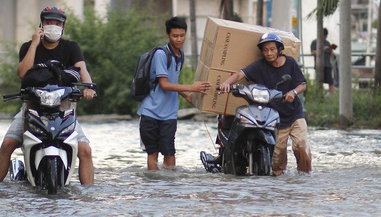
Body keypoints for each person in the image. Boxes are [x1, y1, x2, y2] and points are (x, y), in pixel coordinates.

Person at [0, 6, 96, 184]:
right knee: (8, 144)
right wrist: (34, 43)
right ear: (41, 25)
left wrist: (89, 87)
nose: (53, 26)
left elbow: (82, 69)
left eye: (57, 23)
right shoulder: (28, 47)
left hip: (64, 109)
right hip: (32, 107)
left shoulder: (71, 47)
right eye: (49, 23)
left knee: (85, 150)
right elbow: (23, 74)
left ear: (63, 27)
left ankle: (88, 196)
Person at [219, 32, 312, 176]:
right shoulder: (259, 66)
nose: (269, 53)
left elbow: (302, 84)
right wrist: (226, 83)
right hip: (274, 118)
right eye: (265, 50)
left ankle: (304, 177)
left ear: (279, 49)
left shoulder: (290, 63)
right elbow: (239, 75)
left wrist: (293, 92)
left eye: (272, 49)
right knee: (276, 162)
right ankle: (277, 186)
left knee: (301, 145)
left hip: (294, 114)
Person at [138, 16, 212, 171]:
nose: (179, 39)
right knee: (153, 154)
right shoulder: (161, 54)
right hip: (151, 111)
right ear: (167, 35)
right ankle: (155, 188)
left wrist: (188, 96)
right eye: (175, 36)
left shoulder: (180, 56)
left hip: (169, 113)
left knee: (169, 152)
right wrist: (193, 87)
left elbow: (174, 81)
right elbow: (164, 84)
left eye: (182, 35)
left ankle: (170, 189)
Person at [310, 28, 338, 94]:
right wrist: (322, 49)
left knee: (330, 81)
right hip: (319, 65)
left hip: (328, 64)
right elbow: (312, 52)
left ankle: (332, 96)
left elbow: (331, 55)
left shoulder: (327, 42)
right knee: (319, 81)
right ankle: (320, 95)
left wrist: (330, 50)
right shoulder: (315, 42)